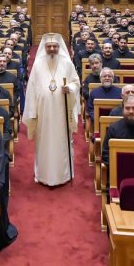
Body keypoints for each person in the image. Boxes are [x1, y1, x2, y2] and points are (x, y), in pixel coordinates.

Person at [24, 33, 80, 187]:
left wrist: (70, 88)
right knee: (44, 144)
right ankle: (43, 174)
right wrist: (32, 112)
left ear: (59, 47)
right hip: (43, 113)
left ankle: (64, 175)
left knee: (61, 142)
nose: (52, 49)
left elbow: (76, 82)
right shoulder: (37, 64)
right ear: (45, 47)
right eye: (49, 46)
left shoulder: (67, 63)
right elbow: (31, 90)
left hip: (62, 111)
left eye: (55, 46)